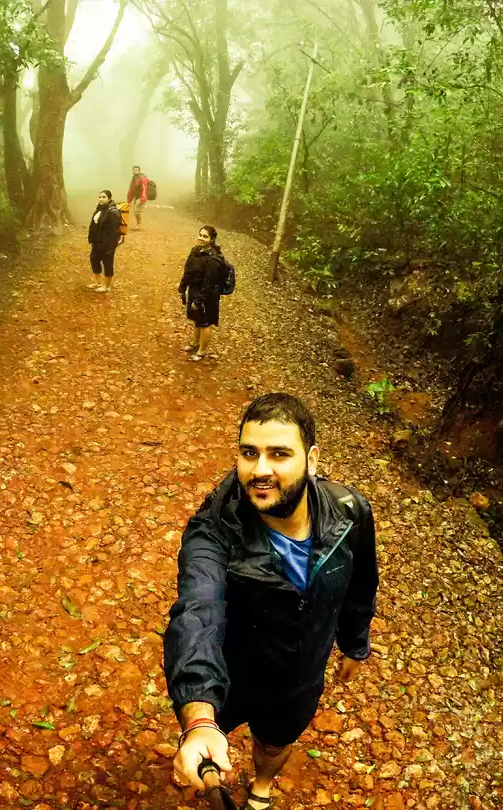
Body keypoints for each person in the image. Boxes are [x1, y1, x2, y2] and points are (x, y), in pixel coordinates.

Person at [164, 393, 379, 810]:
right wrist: (201, 718)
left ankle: (262, 786)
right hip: (228, 675)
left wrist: (355, 642)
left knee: (276, 742)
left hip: (299, 678)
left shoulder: (349, 512)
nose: (260, 470)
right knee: (209, 738)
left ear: (311, 460)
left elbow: (361, 581)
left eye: (279, 454)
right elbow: (197, 611)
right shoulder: (213, 534)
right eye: (250, 453)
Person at [178, 225, 226, 361]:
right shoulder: (195, 250)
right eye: (200, 235)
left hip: (207, 293)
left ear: (212, 239)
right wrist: (182, 287)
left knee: (204, 322)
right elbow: (188, 270)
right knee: (196, 319)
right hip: (194, 289)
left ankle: (202, 351)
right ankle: (194, 343)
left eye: (205, 236)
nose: (201, 238)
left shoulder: (213, 258)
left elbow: (210, 282)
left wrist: (200, 300)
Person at [87, 189, 123, 292]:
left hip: (107, 243)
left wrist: (110, 246)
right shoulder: (99, 208)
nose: (101, 199)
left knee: (107, 263)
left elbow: (114, 231)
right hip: (97, 241)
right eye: (100, 197)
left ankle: (106, 287)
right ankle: (97, 283)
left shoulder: (113, 211)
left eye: (104, 197)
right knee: (94, 260)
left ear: (109, 198)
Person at [127, 165, 149, 230]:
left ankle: (138, 225)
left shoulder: (142, 178)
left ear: (139, 171)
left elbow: (144, 189)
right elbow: (131, 189)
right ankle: (138, 224)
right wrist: (129, 200)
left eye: (136, 170)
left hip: (142, 197)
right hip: (137, 197)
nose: (135, 171)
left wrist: (142, 199)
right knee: (135, 211)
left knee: (137, 211)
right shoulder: (134, 178)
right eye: (134, 170)